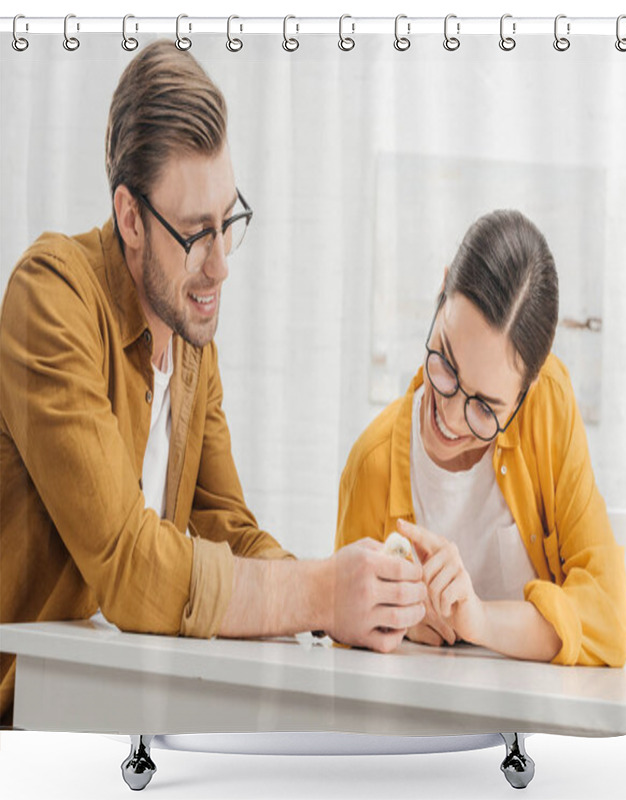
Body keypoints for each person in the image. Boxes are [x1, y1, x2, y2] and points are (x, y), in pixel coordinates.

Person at [0, 40, 425, 728]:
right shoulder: (50, 297)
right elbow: (130, 567)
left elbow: (225, 527)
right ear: (131, 218)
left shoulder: (193, 347)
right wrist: (318, 593)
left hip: (114, 714)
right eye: (197, 233)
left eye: (228, 220)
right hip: (23, 725)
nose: (222, 266)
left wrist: (355, 599)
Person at [335, 210, 626, 667]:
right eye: (447, 363)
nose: (450, 417)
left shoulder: (548, 405)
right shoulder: (371, 465)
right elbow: (343, 641)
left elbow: (610, 621)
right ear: (442, 290)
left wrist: (479, 620)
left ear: (524, 394)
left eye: (486, 407)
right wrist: (393, 620)